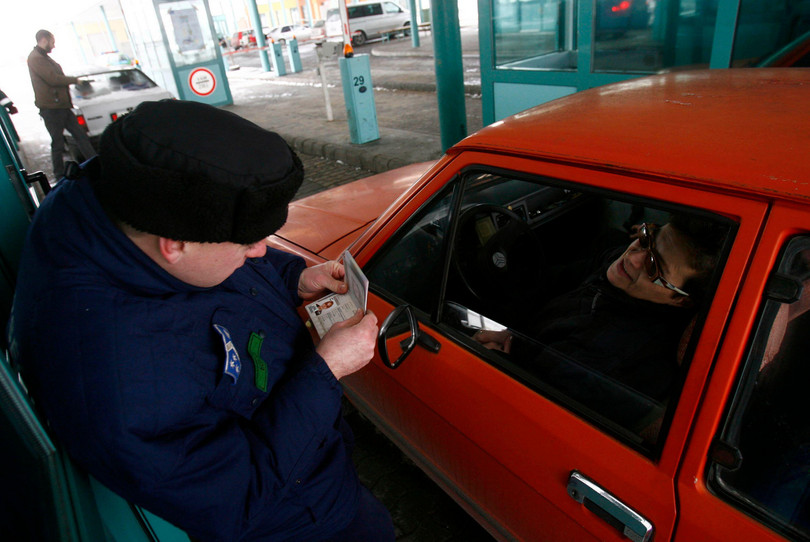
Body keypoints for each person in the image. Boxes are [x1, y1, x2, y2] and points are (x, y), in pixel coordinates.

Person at [7, 99, 394, 541]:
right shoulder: (116, 384)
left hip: (312, 469)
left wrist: (295, 278)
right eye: (246, 244)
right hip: (289, 520)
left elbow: (219, 261)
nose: (261, 253)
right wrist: (326, 370)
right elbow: (235, 496)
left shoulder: (123, 195)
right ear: (175, 245)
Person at [474, 216, 725, 428]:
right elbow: (559, 279)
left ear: (680, 301)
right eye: (648, 237)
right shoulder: (624, 274)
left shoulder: (609, 359)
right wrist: (514, 334)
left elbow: (527, 408)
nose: (634, 257)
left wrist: (501, 358)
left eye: (653, 266)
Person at [27, 29, 96, 180]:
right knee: (58, 144)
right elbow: (53, 79)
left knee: (81, 137)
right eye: (52, 42)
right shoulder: (36, 58)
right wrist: (75, 80)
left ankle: (95, 163)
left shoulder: (43, 57)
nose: (54, 45)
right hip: (52, 109)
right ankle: (59, 175)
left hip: (61, 107)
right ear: (44, 40)